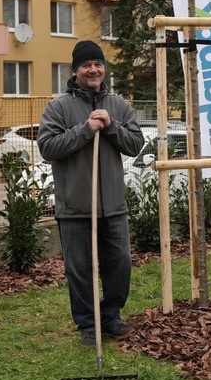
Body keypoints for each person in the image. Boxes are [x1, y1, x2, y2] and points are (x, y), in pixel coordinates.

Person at [38, 40, 145, 346]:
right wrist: (85, 130)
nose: (93, 70)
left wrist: (111, 127)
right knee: (80, 270)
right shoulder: (58, 107)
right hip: (75, 207)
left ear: (104, 68)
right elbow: (47, 147)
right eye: (86, 65)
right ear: (76, 71)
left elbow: (135, 145)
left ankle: (109, 316)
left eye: (98, 64)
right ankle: (87, 324)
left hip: (113, 206)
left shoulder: (119, 106)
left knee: (120, 265)